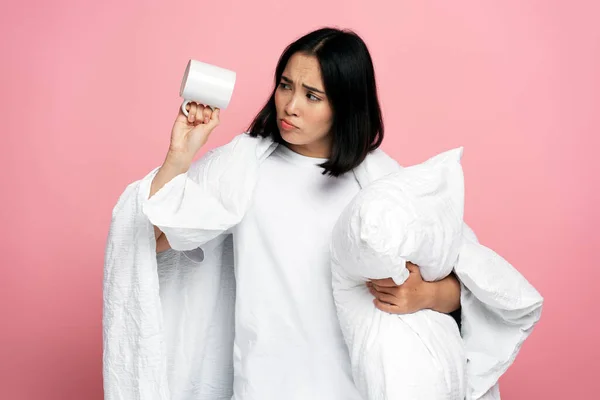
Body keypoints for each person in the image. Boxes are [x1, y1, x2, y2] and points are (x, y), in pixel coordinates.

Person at [149, 27, 465, 399]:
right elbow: (151, 240)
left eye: (312, 95)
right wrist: (180, 154)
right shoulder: (243, 166)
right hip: (263, 386)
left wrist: (426, 295)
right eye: (285, 86)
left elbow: (467, 284)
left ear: (346, 104)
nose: (290, 105)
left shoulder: (384, 183)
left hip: (354, 389)